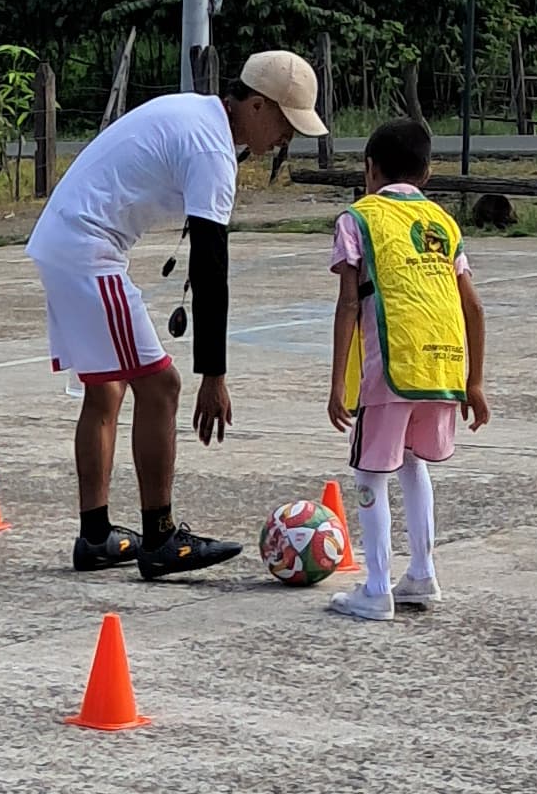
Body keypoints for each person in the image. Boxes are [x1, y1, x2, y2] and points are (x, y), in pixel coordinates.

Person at [25, 49, 326, 578]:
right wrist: (214, 374)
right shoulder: (211, 147)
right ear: (257, 105)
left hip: (65, 241)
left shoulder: (197, 116)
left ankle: (95, 538)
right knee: (162, 386)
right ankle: (161, 539)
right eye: (286, 123)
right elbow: (211, 267)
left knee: (107, 388)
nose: (287, 139)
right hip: (86, 250)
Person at [324, 114, 490, 618]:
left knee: (369, 472)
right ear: (427, 173)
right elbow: (473, 306)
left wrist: (337, 384)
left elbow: (348, 304)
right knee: (414, 463)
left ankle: (376, 589)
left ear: (369, 168)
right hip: (444, 366)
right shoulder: (444, 222)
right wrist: (475, 382)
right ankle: (422, 573)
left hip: (390, 365)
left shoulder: (358, 219)